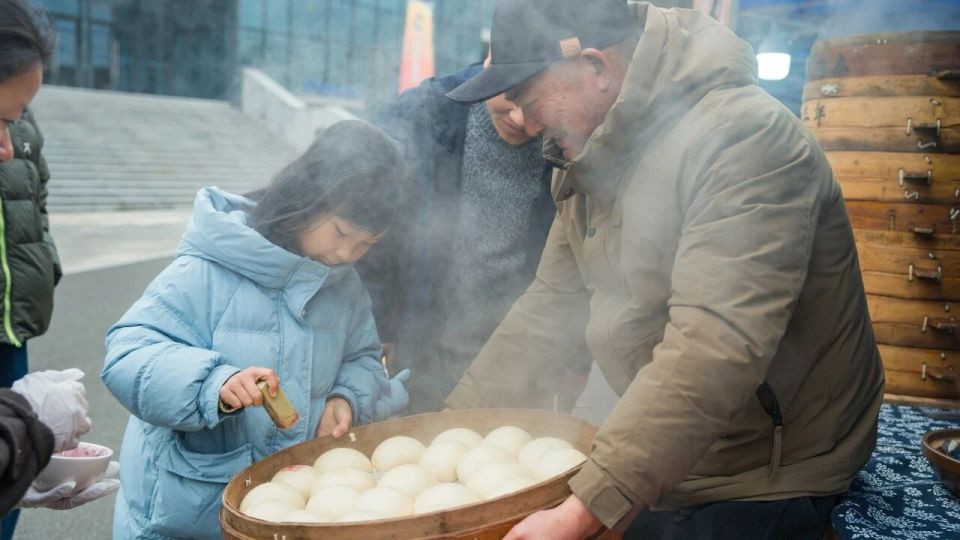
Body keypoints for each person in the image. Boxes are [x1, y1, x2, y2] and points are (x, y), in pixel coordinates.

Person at [444, 1, 884, 538]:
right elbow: (549, 306)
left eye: (531, 101)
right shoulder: (590, 152)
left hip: (766, 465)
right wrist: (450, 435)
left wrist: (585, 509)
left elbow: (715, 343)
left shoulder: (748, 140)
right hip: (670, 441)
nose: (527, 125)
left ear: (596, 67)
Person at [101, 120, 412, 539]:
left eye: (366, 244)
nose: (346, 253)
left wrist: (346, 397)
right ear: (308, 197)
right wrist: (213, 383)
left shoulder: (343, 286)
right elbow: (128, 353)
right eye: (341, 232)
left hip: (287, 511)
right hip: (187, 514)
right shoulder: (208, 269)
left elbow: (362, 357)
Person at [358, 56, 561, 413]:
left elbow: (575, 252)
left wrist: (574, 359)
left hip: (514, 349)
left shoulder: (565, 136)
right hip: (421, 341)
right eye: (510, 97)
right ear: (491, 60)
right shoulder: (426, 112)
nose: (520, 120)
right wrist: (378, 328)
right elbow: (374, 230)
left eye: (533, 105)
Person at [0, 1, 116, 537]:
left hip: (10, 322)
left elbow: (35, 200)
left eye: (15, 121)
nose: (7, 148)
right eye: (1, 120)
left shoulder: (21, 135)